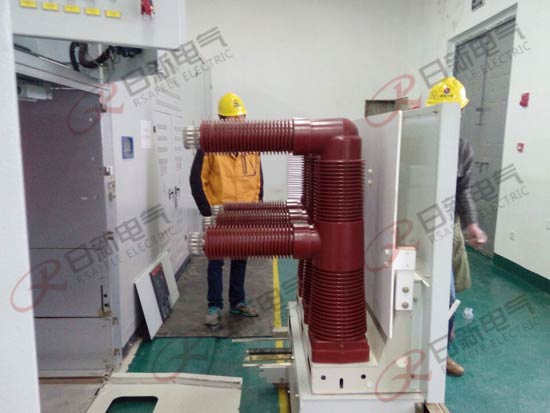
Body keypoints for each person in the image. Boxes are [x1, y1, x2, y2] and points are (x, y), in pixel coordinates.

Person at [425, 77, 487, 376]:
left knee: (447, 295)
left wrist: (471, 224)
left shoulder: (462, 149)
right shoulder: (413, 138)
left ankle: (441, 354)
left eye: (456, 111)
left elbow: (463, 190)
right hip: (411, 226)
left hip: (445, 229)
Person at [190, 92, 262, 326]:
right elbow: (197, 180)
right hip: (218, 216)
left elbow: (258, 181)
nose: (239, 122)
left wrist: (257, 210)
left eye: (242, 117)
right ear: (222, 119)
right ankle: (214, 306)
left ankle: (238, 302)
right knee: (216, 261)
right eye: (234, 118)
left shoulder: (252, 147)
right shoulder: (209, 147)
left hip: (245, 214)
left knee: (240, 259)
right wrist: (208, 213)